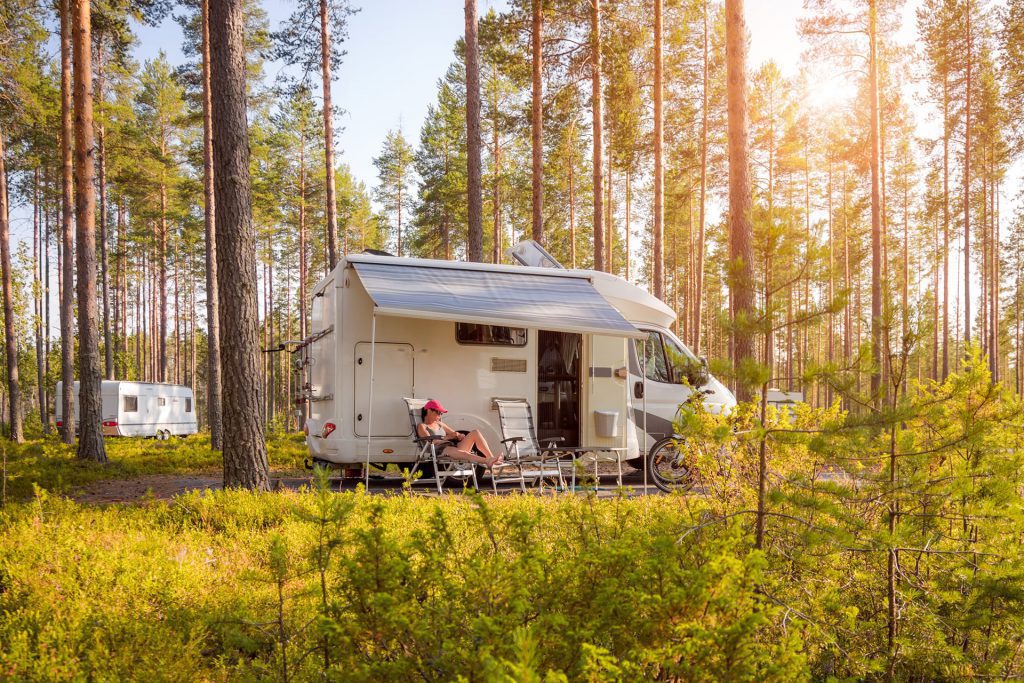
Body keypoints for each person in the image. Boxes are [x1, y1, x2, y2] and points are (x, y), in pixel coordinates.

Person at [417, 399, 502, 468]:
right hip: (441, 450)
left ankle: (491, 457)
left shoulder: (439, 423)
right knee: (465, 454)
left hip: (452, 447)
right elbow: (431, 441)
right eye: (438, 412)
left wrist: (459, 435)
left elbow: (454, 433)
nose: (440, 415)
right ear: (428, 411)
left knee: (475, 432)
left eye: (441, 413)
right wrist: (448, 437)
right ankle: (487, 461)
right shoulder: (422, 426)